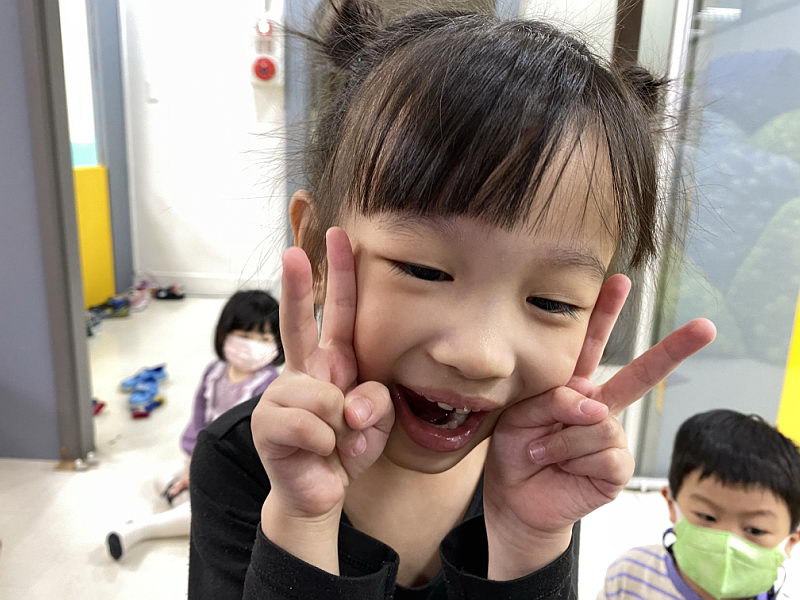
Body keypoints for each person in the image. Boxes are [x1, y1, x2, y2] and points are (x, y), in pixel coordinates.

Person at [188, 3, 717, 598]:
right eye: (425, 270)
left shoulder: (540, 468)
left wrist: (529, 543)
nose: (480, 356)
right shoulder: (246, 461)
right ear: (317, 251)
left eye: (552, 302)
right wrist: (300, 522)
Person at [106, 290, 284, 560]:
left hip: (239, 472)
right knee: (163, 475)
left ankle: (141, 529)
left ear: (278, 344)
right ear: (224, 335)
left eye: (264, 339)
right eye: (244, 335)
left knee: (209, 507)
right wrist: (193, 465)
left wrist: (206, 473)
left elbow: (255, 447)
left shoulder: (269, 385)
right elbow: (198, 420)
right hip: (205, 458)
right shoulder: (214, 373)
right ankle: (192, 506)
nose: (252, 345)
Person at [598, 409, 800, 600]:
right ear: (672, 504)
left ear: (791, 540)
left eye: (755, 530)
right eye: (707, 516)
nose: (726, 543)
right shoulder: (631, 573)